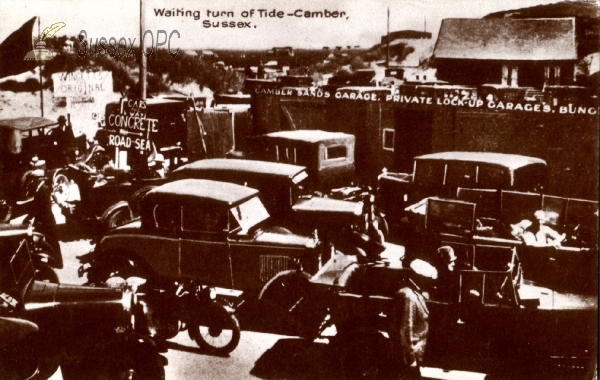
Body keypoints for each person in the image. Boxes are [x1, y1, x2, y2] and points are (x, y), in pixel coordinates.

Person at [389, 259, 438, 379]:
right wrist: (410, 359)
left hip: (414, 356)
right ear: (419, 278)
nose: (430, 283)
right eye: (427, 279)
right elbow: (406, 330)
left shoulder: (415, 294)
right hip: (408, 358)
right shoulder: (408, 296)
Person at [21, 169, 62, 268]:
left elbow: (41, 207)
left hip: (46, 220)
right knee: (47, 240)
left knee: (51, 241)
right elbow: (36, 205)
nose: (32, 181)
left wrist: (32, 218)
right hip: (44, 220)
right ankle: (52, 260)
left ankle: (57, 262)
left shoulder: (43, 189)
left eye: (34, 179)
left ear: (39, 178)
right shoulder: (40, 188)